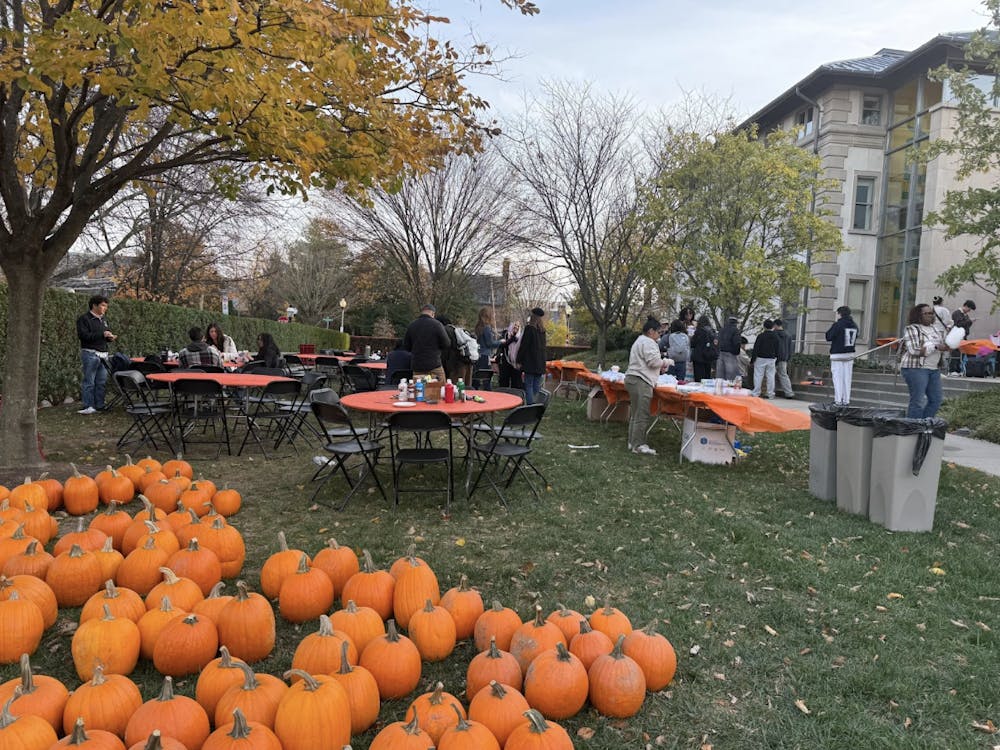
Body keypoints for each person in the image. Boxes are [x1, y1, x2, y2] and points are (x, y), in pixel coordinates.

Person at [624, 318, 673, 456]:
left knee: (635, 413)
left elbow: (647, 362)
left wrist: (659, 367)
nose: (660, 335)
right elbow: (653, 362)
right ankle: (638, 444)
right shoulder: (649, 342)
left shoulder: (639, 341)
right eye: (659, 332)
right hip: (642, 381)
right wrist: (666, 362)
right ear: (651, 331)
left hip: (632, 378)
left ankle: (632, 441)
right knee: (642, 414)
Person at [900, 303, 949, 418]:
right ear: (918, 315)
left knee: (936, 400)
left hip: (933, 369)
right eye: (926, 313)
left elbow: (943, 346)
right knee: (917, 401)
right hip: (915, 369)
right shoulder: (912, 329)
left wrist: (948, 344)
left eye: (931, 313)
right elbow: (914, 350)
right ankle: (912, 429)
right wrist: (935, 347)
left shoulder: (936, 329)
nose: (929, 315)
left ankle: (924, 425)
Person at [76, 294, 116, 414]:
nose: (105, 308)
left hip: (103, 354)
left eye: (106, 306)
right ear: (94, 305)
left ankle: (100, 405)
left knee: (101, 382)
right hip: (90, 353)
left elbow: (102, 336)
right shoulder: (84, 319)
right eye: (103, 305)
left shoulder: (103, 320)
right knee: (89, 381)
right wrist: (102, 335)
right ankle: (88, 406)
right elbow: (83, 336)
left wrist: (110, 338)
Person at [402, 303, 451, 381]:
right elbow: (447, 343)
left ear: (422, 312)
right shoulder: (437, 325)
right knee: (439, 389)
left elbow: (406, 346)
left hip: (417, 366)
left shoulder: (412, 325)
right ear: (432, 313)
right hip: (434, 365)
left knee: (419, 390)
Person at [825, 305, 859, 406]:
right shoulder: (854, 325)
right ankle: (846, 400)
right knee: (847, 378)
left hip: (837, 355)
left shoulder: (838, 325)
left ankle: (838, 400)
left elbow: (829, 336)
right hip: (849, 355)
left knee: (838, 378)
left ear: (840, 314)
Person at [516, 307, 548, 405]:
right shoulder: (542, 331)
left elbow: (524, 346)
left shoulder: (529, 329)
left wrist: (518, 360)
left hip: (530, 362)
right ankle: (536, 403)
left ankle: (530, 405)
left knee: (528, 384)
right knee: (536, 385)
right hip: (540, 362)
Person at [750, 320, 780, 399]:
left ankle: (756, 392)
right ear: (772, 326)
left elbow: (756, 348)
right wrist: (777, 358)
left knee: (758, 376)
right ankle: (770, 393)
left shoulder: (761, 336)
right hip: (771, 358)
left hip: (760, 358)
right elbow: (778, 349)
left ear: (764, 326)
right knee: (770, 376)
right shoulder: (776, 336)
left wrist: (752, 359)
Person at [949, 299, 976, 376]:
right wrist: (970, 321)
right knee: (956, 354)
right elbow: (959, 324)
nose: (969, 311)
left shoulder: (965, 315)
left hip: (963, 337)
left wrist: (971, 322)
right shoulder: (957, 313)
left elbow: (966, 325)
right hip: (956, 336)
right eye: (969, 309)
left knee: (962, 354)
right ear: (966, 306)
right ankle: (952, 370)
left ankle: (958, 370)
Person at [474, 307, 499, 388]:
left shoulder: (478, 327)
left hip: (478, 355)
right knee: (486, 379)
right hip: (485, 355)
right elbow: (490, 343)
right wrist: (500, 342)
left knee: (477, 378)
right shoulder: (487, 328)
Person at [689, 315, 718, 382]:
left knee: (699, 379)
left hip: (698, 358)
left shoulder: (699, 331)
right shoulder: (712, 331)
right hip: (709, 357)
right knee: (707, 378)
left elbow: (693, 343)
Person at [495, 321, 522, 389]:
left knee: (516, 384)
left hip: (516, 363)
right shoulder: (505, 334)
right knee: (504, 383)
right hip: (505, 362)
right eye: (515, 325)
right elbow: (502, 345)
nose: (516, 327)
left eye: (518, 326)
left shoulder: (520, 337)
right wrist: (511, 339)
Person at [773, 319, 795, 399]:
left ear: (775, 325)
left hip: (774, 358)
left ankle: (771, 392)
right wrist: (788, 357)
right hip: (784, 358)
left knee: (771, 375)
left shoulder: (774, 334)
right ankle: (789, 393)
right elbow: (790, 348)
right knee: (784, 375)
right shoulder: (788, 335)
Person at [717, 315, 743, 381]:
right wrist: (736, 352)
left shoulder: (722, 330)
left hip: (721, 353)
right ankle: (729, 390)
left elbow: (718, 341)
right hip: (730, 354)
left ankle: (720, 390)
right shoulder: (736, 330)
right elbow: (737, 343)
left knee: (720, 376)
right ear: (735, 323)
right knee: (731, 377)